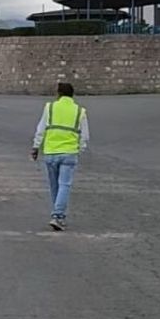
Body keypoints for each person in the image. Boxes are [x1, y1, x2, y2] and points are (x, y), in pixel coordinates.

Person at [30, 82, 89, 231]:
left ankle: (57, 214)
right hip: (69, 153)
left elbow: (41, 129)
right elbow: (85, 136)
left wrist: (36, 147)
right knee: (65, 185)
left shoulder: (50, 108)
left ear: (58, 93)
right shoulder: (79, 111)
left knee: (55, 186)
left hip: (51, 152)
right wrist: (79, 150)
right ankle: (58, 216)